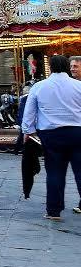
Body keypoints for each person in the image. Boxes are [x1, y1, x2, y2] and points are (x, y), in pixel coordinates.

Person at [21, 54, 81, 221]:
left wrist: (28, 131)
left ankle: (54, 210)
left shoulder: (39, 86)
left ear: (51, 68)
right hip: (77, 132)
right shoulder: (78, 86)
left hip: (51, 134)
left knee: (55, 171)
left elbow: (29, 113)